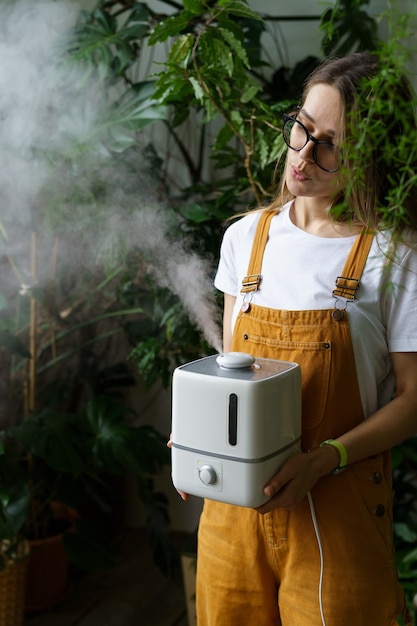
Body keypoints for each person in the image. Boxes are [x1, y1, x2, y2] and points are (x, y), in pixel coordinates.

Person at [171, 51, 417, 625]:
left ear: (370, 156)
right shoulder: (244, 240)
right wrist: (199, 439)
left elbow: (413, 400)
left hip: (338, 510)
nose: (304, 154)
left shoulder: (394, 260)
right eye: (302, 128)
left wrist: (323, 459)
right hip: (233, 512)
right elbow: (232, 370)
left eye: (330, 143)